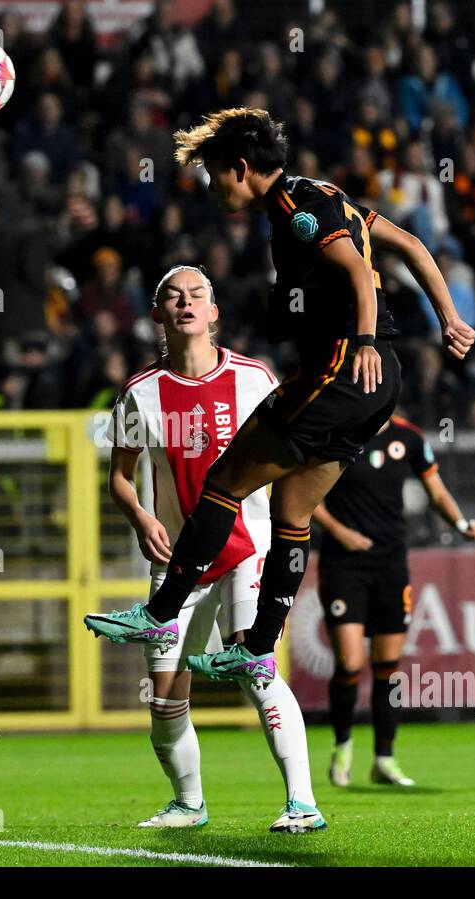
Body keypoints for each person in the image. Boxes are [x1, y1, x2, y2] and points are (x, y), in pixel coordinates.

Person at [85, 108, 474, 692]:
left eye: (216, 175)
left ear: (242, 169)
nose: (214, 188)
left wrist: (363, 340)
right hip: (374, 382)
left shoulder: (296, 212)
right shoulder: (324, 194)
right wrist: (449, 316)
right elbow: (411, 244)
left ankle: (160, 612)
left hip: (345, 367)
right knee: (292, 512)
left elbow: (361, 274)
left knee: (224, 481)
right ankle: (259, 646)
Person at [108, 265, 324, 833]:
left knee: (256, 669)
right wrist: (138, 516)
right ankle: (188, 804)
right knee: (163, 694)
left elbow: (294, 456)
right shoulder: (138, 393)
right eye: (173, 297)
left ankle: (301, 801)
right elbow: (121, 476)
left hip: (244, 551)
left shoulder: (255, 379)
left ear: (214, 312)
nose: (185, 303)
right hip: (175, 563)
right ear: (157, 315)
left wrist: (290, 527)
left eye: (196, 295)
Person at [313, 411, 475, 789]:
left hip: (390, 562)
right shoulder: (337, 431)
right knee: (350, 661)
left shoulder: (409, 438)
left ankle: (384, 760)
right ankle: (342, 748)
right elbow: (306, 496)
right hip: (344, 564)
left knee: (388, 664)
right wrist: (342, 535)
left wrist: (461, 524)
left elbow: (436, 491)